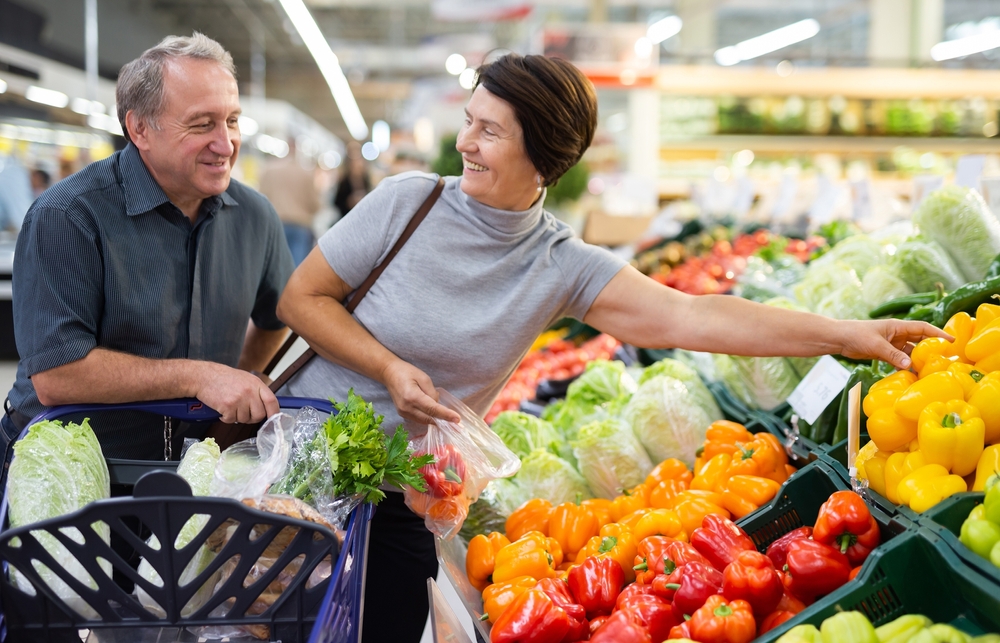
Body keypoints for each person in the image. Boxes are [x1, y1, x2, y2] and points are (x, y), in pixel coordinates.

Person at [275, 54, 946, 643]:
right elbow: (300, 300)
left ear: (543, 156)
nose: (466, 142)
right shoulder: (406, 203)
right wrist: (388, 366)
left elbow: (695, 316)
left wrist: (850, 334)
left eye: (489, 130)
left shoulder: (558, 263)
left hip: (404, 498)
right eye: (470, 122)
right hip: (293, 469)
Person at [3, 33, 294, 485]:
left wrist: (239, 377)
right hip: (70, 477)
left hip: (196, 475)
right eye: (201, 125)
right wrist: (200, 378)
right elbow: (57, 375)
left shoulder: (255, 217)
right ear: (139, 129)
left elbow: (279, 314)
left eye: (232, 121)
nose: (226, 143)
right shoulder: (70, 215)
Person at [258, 139, 321, 265]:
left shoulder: (270, 170)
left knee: (274, 267)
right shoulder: (305, 174)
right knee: (296, 270)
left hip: (275, 223)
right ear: (297, 149)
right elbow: (315, 204)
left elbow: (261, 197)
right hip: (300, 226)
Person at [333, 141, 371, 216]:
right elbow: (336, 202)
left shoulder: (366, 180)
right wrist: (349, 202)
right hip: (347, 216)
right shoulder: (344, 181)